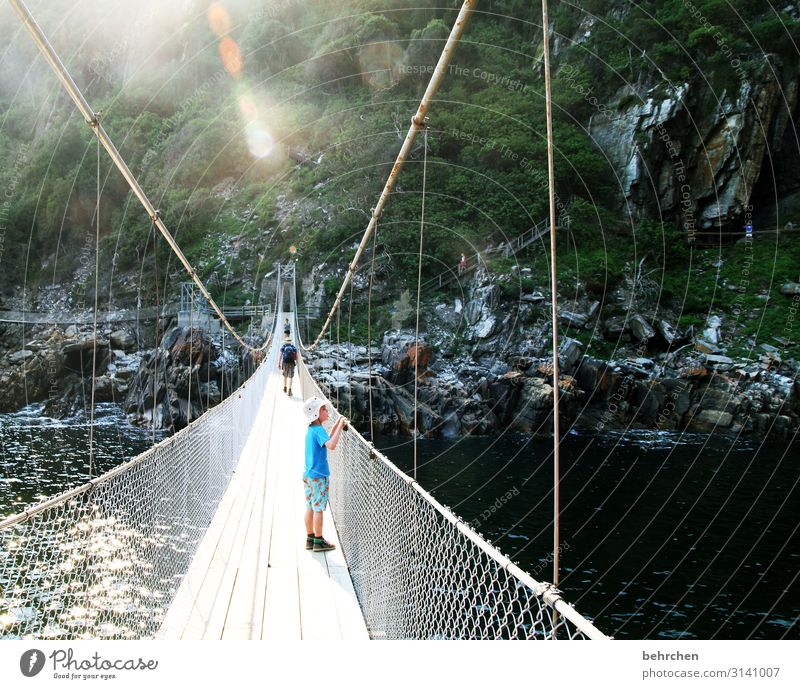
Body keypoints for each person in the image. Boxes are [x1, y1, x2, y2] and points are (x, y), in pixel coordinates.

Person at [302, 397, 347, 552]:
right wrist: (341, 426)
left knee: (310, 506)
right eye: (324, 409)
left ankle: (310, 538)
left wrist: (336, 425)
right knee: (318, 508)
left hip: (308, 475)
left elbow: (327, 439)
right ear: (316, 414)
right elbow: (332, 445)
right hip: (319, 477)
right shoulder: (318, 430)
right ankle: (319, 541)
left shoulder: (313, 429)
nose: (328, 412)